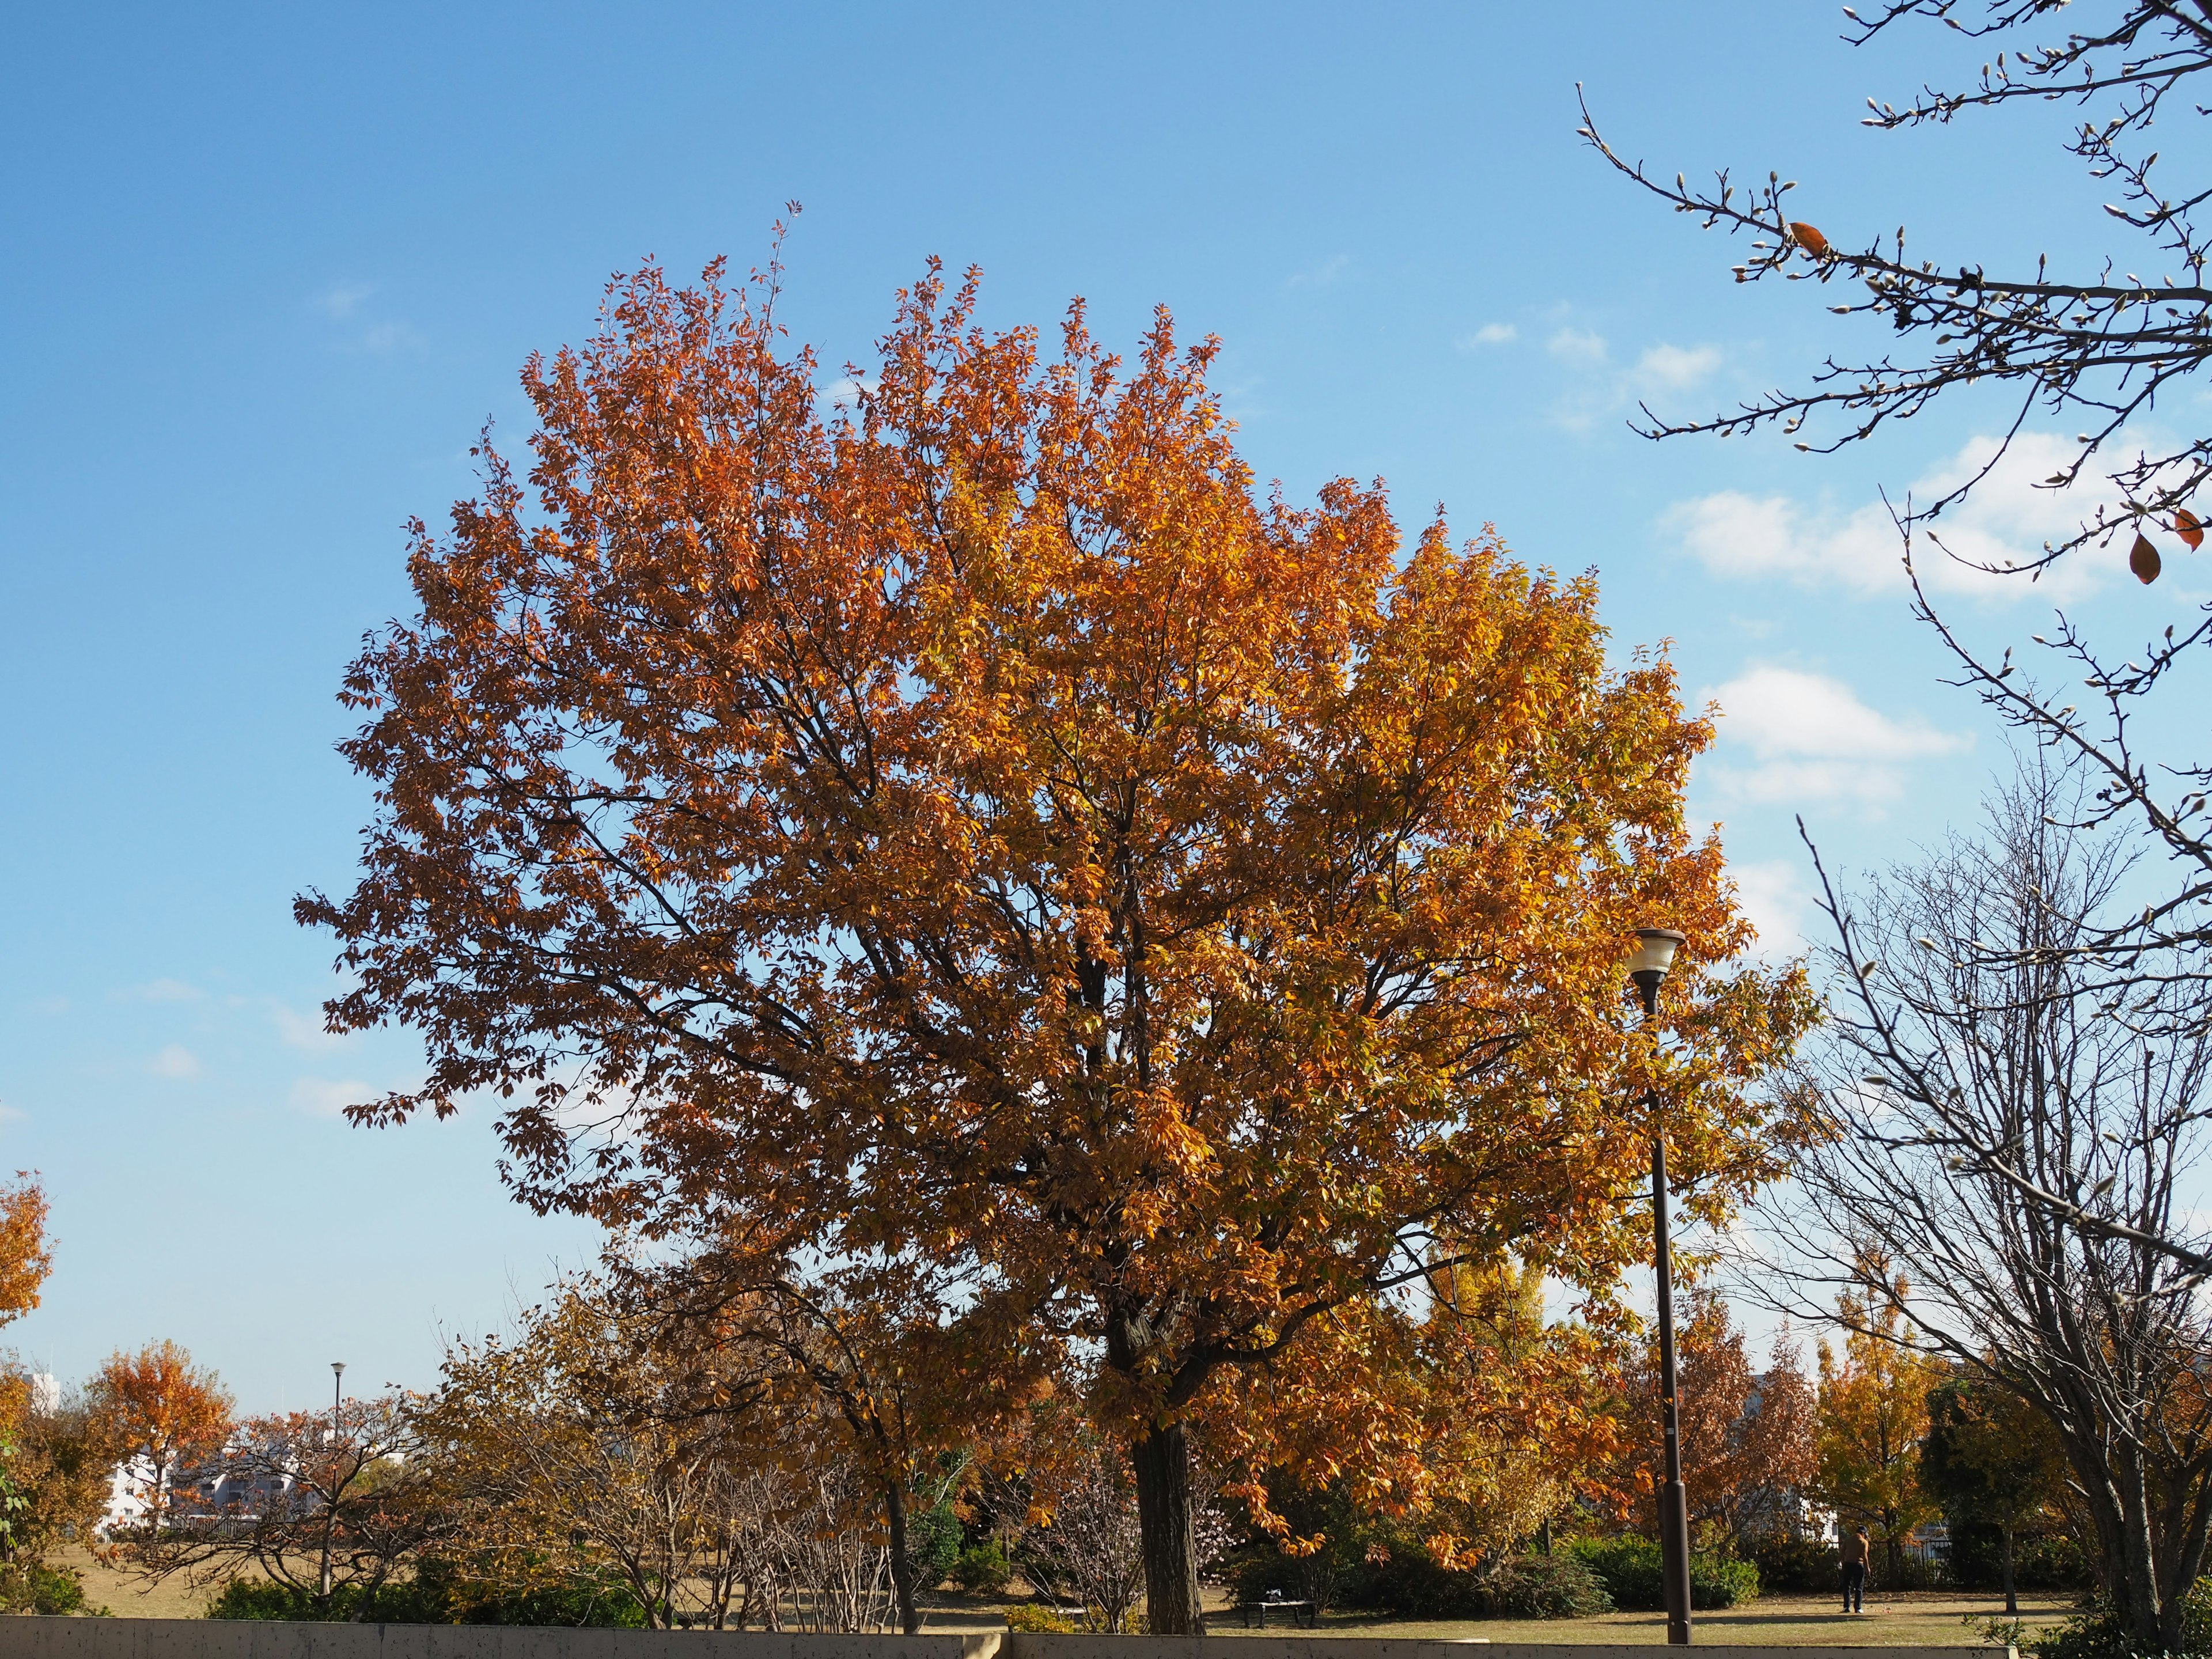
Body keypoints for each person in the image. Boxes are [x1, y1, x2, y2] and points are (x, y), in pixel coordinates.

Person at [1839, 1527, 1869, 1613]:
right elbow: (1864, 1555)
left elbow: (1842, 1551)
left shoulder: (1848, 1540)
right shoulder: (1864, 1542)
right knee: (1859, 1587)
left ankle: (1846, 1607)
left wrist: (1839, 1562)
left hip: (1848, 1564)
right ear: (1863, 1534)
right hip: (1858, 1565)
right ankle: (1858, 1607)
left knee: (1847, 1586)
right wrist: (1867, 1567)